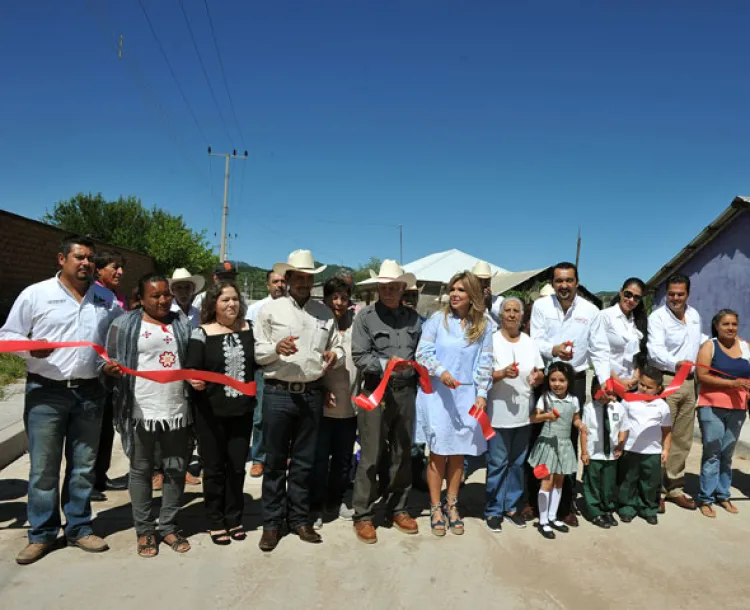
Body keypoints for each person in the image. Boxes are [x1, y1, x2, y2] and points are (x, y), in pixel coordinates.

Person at [0, 235, 123, 565]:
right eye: (79, 257)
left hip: (90, 392)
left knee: (83, 467)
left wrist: (111, 364)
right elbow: (7, 335)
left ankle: (80, 527)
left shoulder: (105, 298)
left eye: (90, 259)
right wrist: (29, 347)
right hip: (46, 392)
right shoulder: (36, 294)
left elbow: (111, 342)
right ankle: (41, 533)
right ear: (61, 260)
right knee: (43, 468)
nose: (85, 263)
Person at [254, 249, 344, 552]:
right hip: (278, 392)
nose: (304, 283)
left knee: (305, 463)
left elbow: (337, 346)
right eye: (299, 278)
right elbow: (258, 353)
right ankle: (271, 523)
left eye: (309, 278)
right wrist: (276, 348)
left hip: (311, 394)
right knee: (275, 463)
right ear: (288, 278)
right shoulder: (269, 310)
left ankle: (299, 519)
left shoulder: (324, 313)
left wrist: (336, 355)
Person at [107, 273, 193, 557]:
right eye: (155, 296)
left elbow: (191, 360)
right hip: (140, 408)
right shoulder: (123, 324)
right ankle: (144, 530)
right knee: (141, 469)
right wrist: (109, 370)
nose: (163, 300)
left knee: (175, 467)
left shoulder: (182, 323)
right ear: (141, 299)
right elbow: (109, 359)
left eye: (166, 294)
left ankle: (167, 526)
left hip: (176, 408)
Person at [530, 262, 611, 526]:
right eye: (558, 281)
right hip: (545, 378)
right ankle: (534, 501)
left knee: (569, 441)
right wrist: (553, 350)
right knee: (539, 439)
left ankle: (565, 506)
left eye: (569, 280)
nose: (563, 285)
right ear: (553, 284)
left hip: (575, 380)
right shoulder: (541, 307)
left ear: (577, 282)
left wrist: (606, 381)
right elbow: (535, 340)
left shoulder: (591, 311)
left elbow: (599, 349)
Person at [414, 271, 493, 537]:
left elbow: (485, 362)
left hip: (465, 397)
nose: (455, 294)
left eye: (461, 290)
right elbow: (422, 353)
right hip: (438, 394)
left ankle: (452, 504)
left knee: (458, 453)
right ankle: (435, 507)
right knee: (437, 452)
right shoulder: (438, 320)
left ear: (472, 296)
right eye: (453, 289)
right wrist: (440, 370)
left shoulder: (483, 326)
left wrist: (482, 392)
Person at [351, 260, 422, 544]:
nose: (389, 291)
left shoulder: (415, 319)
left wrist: (418, 365)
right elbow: (359, 355)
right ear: (378, 288)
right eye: (385, 287)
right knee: (371, 453)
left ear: (403, 288)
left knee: (402, 451)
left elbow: (424, 352)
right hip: (375, 392)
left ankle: (398, 508)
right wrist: (385, 365)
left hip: (406, 392)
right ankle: (364, 514)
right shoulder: (365, 318)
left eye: (394, 286)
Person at [186, 281, 256, 544]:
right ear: (213, 304)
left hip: (242, 412)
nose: (231, 304)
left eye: (235, 299)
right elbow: (192, 367)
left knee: (237, 468)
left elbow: (260, 361)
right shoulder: (201, 333)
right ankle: (215, 520)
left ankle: (234, 518)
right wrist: (193, 380)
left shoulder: (250, 329)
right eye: (225, 300)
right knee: (214, 468)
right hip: (210, 414)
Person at [485, 297, 544, 533]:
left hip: (523, 412)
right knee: (497, 462)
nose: (511, 314)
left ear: (522, 316)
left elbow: (539, 371)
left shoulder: (530, 342)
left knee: (517, 464)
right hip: (497, 413)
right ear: (501, 315)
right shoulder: (491, 341)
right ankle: (492, 509)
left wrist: (538, 378)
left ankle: (511, 507)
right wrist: (501, 373)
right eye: (507, 310)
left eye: (515, 311)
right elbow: (481, 374)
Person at [647, 273, 703, 511]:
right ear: (666, 294)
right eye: (671, 294)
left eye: (680, 294)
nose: (675, 298)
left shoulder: (694, 315)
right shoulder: (658, 317)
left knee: (682, 436)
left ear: (687, 294)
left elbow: (698, 340)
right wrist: (675, 364)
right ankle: (656, 490)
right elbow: (654, 350)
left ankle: (675, 488)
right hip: (668, 378)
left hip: (690, 382)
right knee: (661, 436)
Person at [311, 276, 358, 527]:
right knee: (319, 458)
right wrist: (321, 388)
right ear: (326, 298)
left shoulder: (357, 324)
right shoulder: (318, 323)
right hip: (322, 401)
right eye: (334, 297)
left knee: (343, 458)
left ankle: (336, 500)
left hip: (350, 403)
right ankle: (316, 506)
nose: (339, 302)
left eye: (343, 297)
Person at [694, 309, 750, 517]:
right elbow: (702, 375)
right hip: (712, 406)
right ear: (717, 326)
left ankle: (723, 495)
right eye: (725, 324)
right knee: (712, 452)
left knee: (727, 452)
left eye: (734, 324)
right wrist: (731, 383)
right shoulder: (710, 346)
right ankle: (706, 498)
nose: (730, 328)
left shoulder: (745, 346)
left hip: (738, 408)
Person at [527, 362, 584, 539]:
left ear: (569, 382)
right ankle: (543, 520)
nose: (557, 384)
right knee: (547, 482)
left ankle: (553, 516)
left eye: (561, 380)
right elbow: (533, 418)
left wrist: (580, 425)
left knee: (559, 481)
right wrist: (546, 416)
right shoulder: (545, 398)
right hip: (548, 444)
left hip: (565, 445)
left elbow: (575, 418)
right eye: (553, 380)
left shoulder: (573, 400)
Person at [92, 249, 130, 501]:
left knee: (107, 428)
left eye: (121, 267)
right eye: (114, 267)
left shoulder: (117, 296)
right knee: (92, 431)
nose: (120, 272)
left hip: (113, 371)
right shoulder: (92, 294)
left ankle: (100, 476)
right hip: (95, 370)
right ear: (99, 269)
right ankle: (88, 482)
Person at [245, 269, 287, 479]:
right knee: (260, 416)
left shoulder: (294, 308)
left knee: (286, 417)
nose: (279, 285)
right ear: (267, 285)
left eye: (283, 281)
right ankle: (259, 458)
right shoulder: (254, 309)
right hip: (262, 369)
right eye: (275, 281)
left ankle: (283, 456)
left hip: (288, 370)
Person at [618, 367, 672, 525]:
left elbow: (667, 431)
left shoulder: (662, 406)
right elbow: (621, 425)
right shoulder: (628, 400)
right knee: (629, 480)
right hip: (630, 448)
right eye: (641, 384)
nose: (644, 389)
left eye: (649, 387)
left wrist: (666, 449)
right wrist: (620, 444)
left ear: (658, 389)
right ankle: (627, 507)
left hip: (652, 451)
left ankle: (648, 508)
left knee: (649, 482)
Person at [591, 278, 649, 390]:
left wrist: (635, 377)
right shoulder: (604, 316)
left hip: (631, 384)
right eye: (628, 294)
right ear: (621, 292)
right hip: (608, 383)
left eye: (637, 298)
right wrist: (619, 381)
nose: (631, 300)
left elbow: (641, 353)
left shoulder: (639, 321)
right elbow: (599, 353)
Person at [580, 398, 628, 529]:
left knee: (609, 484)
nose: (607, 395)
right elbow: (584, 431)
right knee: (593, 483)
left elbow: (624, 428)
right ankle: (595, 511)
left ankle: (607, 509)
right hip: (593, 453)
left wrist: (620, 445)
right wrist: (584, 452)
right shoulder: (589, 408)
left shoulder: (618, 407)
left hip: (611, 454)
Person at [471, 260, 503, 327]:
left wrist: (489, 305)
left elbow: (505, 320)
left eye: (486, 280)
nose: (483, 284)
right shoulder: (468, 300)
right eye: (480, 280)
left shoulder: (500, 300)